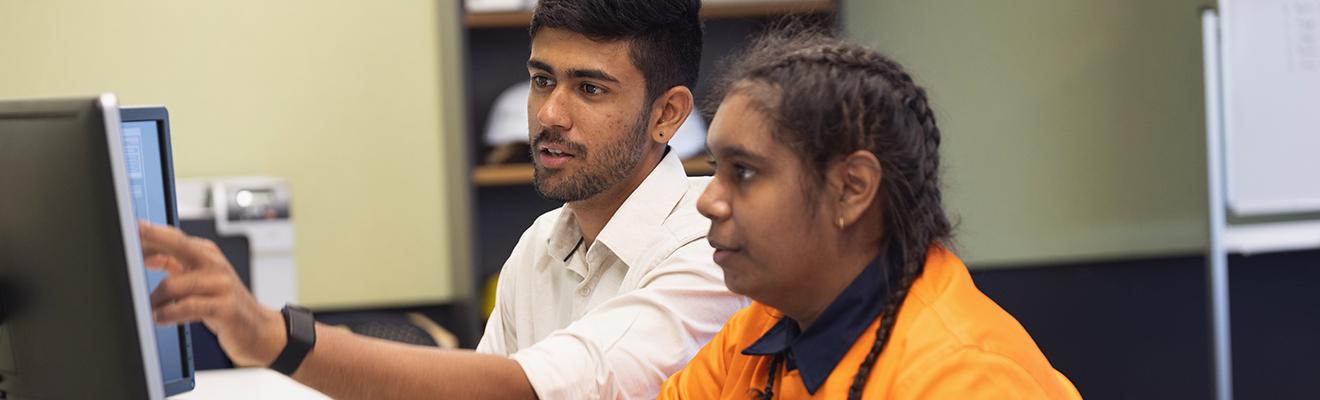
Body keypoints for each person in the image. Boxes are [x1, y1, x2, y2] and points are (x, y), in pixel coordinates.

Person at [139, 0, 747, 398]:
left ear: (666, 115)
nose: (549, 115)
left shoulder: (712, 249)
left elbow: (519, 388)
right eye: (542, 81)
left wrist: (277, 339)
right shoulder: (541, 246)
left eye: (589, 88)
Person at [659, 30, 1082, 399]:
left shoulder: (962, 375)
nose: (708, 201)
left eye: (745, 172)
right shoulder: (764, 325)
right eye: (716, 169)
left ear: (851, 189)